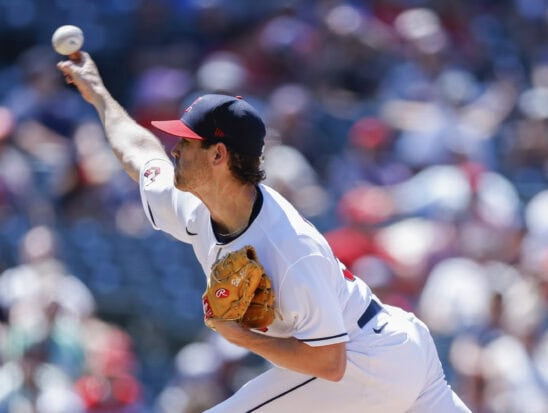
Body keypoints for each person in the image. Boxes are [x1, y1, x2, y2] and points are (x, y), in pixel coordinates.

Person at [57, 52, 471, 413]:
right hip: (400, 349)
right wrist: (100, 95)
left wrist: (242, 337)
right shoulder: (194, 201)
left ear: (218, 155)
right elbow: (139, 152)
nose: (174, 149)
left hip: (365, 362)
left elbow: (330, 363)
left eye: (186, 142)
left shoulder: (288, 246)